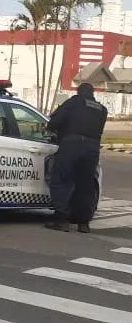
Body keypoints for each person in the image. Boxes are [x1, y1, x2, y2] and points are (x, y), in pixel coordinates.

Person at [45, 81, 107, 232]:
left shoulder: (73, 103)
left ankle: (61, 220)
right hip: (92, 149)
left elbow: (54, 122)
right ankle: (83, 223)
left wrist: (55, 129)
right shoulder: (102, 109)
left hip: (72, 144)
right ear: (93, 93)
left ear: (78, 92)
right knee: (85, 185)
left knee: (61, 179)